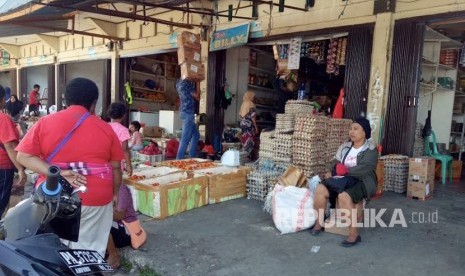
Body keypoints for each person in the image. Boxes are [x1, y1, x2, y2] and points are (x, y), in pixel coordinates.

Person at [16, 78, 125, 257]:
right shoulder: (106, 129)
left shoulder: (46, 122)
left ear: (66, 99)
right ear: (93, 104)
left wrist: (58, 173)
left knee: (54, 250)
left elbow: (23, 156)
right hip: (96, 197)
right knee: (88, 250)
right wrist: (115, 195)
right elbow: (116, 169)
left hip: (54, 196)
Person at [311, 117, 377, 247]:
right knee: (320, 189)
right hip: (342, 180)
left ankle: (354, 234)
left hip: (361, 181)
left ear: (365, 133)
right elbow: (335, 162)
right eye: (351, 129)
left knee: (344, 196)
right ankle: (320, 221)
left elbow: (365, 168)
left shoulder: (371, 150)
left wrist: (344, 171)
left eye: (356, 129)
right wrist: (334, 169)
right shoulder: (345, 147)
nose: (351, 132)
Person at [0, 85, 26, 218]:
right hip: (2, 167)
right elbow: (9, 146)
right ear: (3, 99)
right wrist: (20, 169)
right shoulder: (2, 119)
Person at [106, 184, 141, 268]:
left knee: (100, 222)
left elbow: (120, 216)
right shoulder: (103, 188)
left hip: (126, 230)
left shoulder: (121, 190)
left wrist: (99, 214)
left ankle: (114, 256)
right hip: (116, 227)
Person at [175, 79, 200, 159]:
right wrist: (198, 82)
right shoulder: (188, 83)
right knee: (185, 139)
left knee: (196, 135)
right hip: (188, 114)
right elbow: (197, 96)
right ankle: (178, 160)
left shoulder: (178, 82)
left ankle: (191, 157)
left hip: (183, 112)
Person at [108, 103, 133, 176]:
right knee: (116, 185)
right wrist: (129, 165)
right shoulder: (123, 130)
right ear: (123, 115)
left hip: (104, 163)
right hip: (117, 164)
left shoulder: (105, 126)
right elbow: (125, 149)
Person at [239, 91, 259, 158]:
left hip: (243, 125)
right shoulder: (251, 104)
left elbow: (241, 116)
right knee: (250, 140)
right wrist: (256, 128)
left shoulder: (243, 104)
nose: (254, 98)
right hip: (249, 125)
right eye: (253, 97)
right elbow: (253, 117)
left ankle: (244, 156)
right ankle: (248, 156)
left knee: (244, 139)